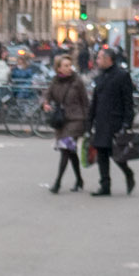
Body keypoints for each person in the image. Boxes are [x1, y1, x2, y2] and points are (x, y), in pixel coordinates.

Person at [86, 47, 134, 197]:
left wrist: (127, 123)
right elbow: (95, 101)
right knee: (101, 154)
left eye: (99, 58)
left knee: (116, 153)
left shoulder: (122, 75)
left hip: (115, 121)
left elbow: (128, 101)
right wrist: (89, 121)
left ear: (108, 59)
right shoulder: (100, 77)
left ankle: (128, 173)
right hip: (100, 121)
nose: (97, 61)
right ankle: (105, 185)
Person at [42, 53, 89, 193]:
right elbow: (47, 95)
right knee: (70, 151)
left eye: (70, 65)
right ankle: (79, 180)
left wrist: (88, 122)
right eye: (65, 66)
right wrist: (45, 104)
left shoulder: (77, 81)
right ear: (58, 68)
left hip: (76, 120)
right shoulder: (55, 81)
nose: (69, 68)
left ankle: (57, 183)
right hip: (61, 121)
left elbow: (85, 102)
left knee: (64, 150)